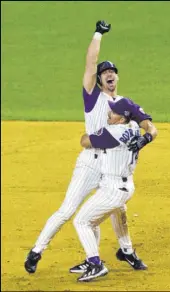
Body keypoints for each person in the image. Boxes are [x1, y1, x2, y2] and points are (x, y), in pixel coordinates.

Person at [24, 20, 157, 274]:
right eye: (104, 72)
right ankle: (37, 250)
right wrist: (98, 34)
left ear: (117, 77)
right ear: (98, 79)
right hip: (90, 161)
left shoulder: (124, 104)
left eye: (113, 71)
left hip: (111, 165)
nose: (109, 73)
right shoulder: (93, 96)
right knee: (68, 210)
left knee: (117, 207)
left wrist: (147, 135)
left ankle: (123, 251)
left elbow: (148, 125)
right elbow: (90, 63)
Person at [74, 99, 142, 282]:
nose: (109, 114)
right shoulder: (135, 126)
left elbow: (84, 141)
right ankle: (127, 251)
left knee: (82, 221)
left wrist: (97, 128)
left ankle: (95, 264)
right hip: (126, 186)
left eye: (113, 113)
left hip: (113, 189)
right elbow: (137, 117)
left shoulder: (112, 133)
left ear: (121, 119)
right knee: (118, 210)